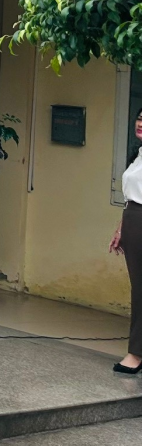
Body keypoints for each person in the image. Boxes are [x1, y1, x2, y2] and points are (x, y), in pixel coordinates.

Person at [110, 106, 142, 374]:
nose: (140, 123)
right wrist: (121, 228)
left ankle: (136, 353)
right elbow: (131, 197)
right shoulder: (138, 155)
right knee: (138, 288)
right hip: (133, 219)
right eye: (140, 118)